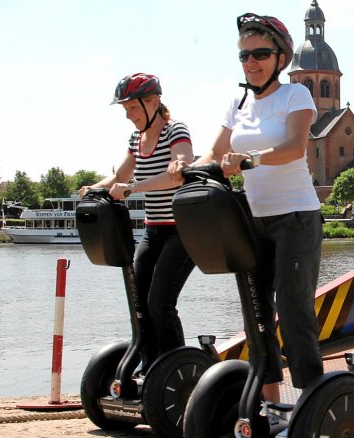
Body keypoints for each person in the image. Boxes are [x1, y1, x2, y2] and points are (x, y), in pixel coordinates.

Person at [169, 13, 322, 404]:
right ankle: (271, 403)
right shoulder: (238, 102)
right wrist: (188, 167)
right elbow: (216, 152)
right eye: (244, 56)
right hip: (254, 221)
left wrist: (249, 160)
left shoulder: (295, 95)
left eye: (259, 54)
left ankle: (311, 401)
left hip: (296, 217)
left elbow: (295, 147)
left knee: (292, 309)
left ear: (280, 57)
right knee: (256, 313)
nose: (251, 62)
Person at [79, 73, 196, 363]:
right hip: (152, 232)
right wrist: (94, 188)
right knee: (139, 304)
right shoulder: (136, 138)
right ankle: (149, 367)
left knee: (160, 304)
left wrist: (133, 188)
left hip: (182, 233)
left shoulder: (175, 131)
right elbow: (119, 176)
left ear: (153, 101)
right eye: (126, 109)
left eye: (132, 108)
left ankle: (174, 369)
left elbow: (180, 170)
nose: (128, 116)